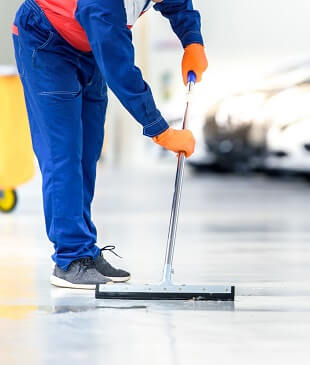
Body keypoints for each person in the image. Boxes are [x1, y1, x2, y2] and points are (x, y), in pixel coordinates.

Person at [12, 0, 208, 290]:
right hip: (46, 42)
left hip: (88, 43)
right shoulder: (101, 4)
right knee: (63, 155)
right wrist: (161, 130)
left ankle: (85, 250)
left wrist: (193, 41)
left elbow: (178, 4)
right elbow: (120, 70)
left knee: (88, 152)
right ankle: (70, 259)